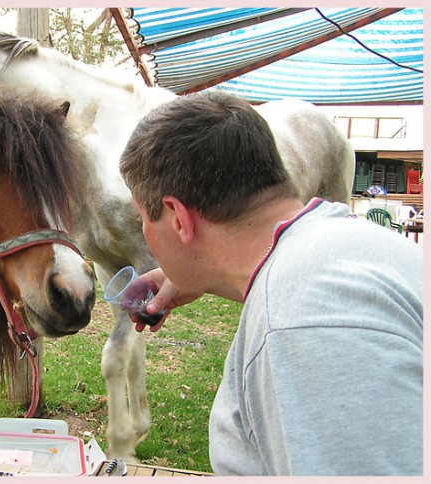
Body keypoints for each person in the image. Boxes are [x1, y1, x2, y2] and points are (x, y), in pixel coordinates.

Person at [118, 90, 423, 476]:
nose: (144, 232)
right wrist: (203, 273)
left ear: (178, 218)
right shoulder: (335, 246)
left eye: (142, 216)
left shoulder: (305, 323)